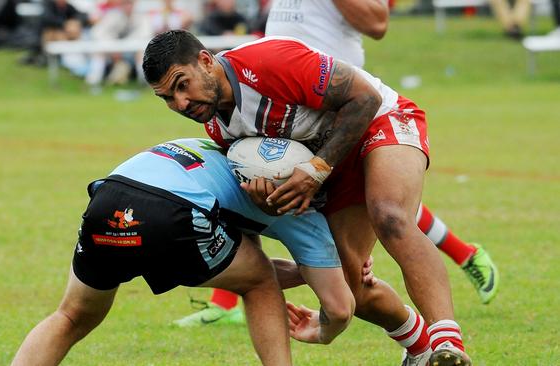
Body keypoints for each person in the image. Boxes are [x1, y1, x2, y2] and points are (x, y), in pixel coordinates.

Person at [143, 30, 473, 365]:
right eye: (167, 98)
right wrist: (267, 198)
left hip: (380, 120)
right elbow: (286, 178)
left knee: (389, 215)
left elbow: (365, 99)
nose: (180, 103)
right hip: (332, 166)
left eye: (182, 84)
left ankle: (448, 341)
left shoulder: (267, 62)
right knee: (351, 285)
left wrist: (317, 168)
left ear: (205, 61)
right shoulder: (219, 128)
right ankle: (421, 349)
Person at [182, 0, 500, 328]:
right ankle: (431, 319)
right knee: (263, 180)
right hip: (280, 108)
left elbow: (378, 23)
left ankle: (455, 291)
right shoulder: (223, 107)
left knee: (389, 208)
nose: (178, 103)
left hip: (339, 97)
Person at [11, 138, 293, 365]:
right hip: (167, 211)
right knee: (259, 280)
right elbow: (248, 266)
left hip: (105, 201)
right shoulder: (258, 180)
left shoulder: (206, 146)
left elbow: (236, 255)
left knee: (72, 316)